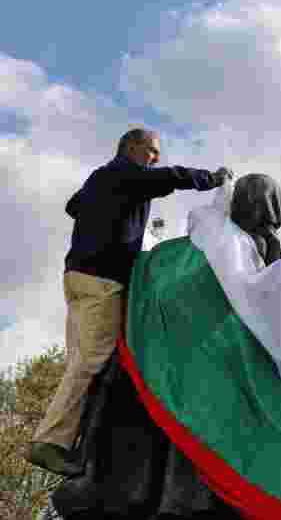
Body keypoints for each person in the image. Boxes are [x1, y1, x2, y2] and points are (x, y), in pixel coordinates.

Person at [25, 128, 231, 477]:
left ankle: (66, 441)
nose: (156, 158)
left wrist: (104, 221)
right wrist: (212, 179)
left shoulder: (101, 178)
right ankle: (50, 442)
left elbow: (73, 205)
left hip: (76, 276)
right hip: (103, 281)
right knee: (90, 362)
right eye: (151, 151)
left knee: (81, 359)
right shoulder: (124, 174)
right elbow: (169, 178)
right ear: (130, 147)